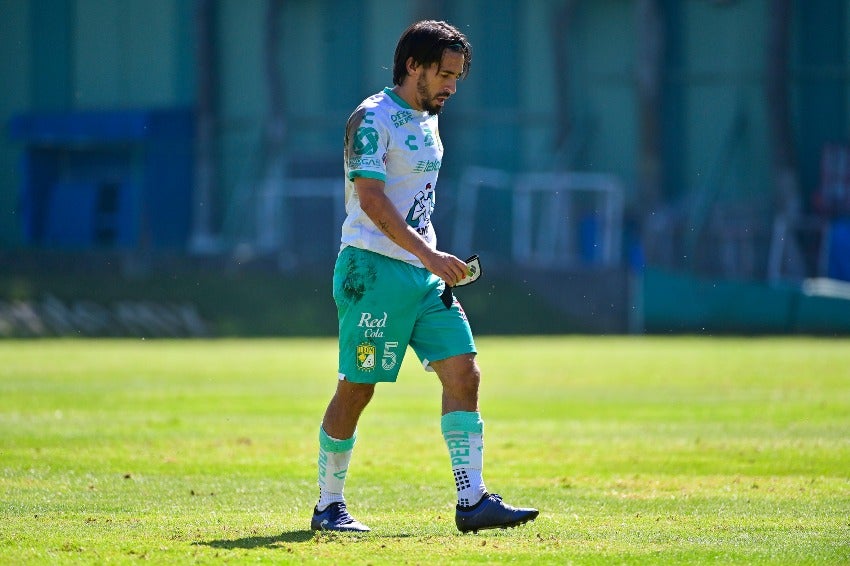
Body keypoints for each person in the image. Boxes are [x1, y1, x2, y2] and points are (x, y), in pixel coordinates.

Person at [310, 19, 538, 534]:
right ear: (413, 65)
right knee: (358, 388)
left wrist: (432, 258)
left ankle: (473, 501)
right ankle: (328, 506)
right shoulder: (372, 118)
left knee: (464, 373)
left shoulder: (429, 118)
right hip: (372, 271)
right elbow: (370, 200)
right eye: (444, 75)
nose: (452, 87)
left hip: (422, 276)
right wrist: (430, 256)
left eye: (457, 77)